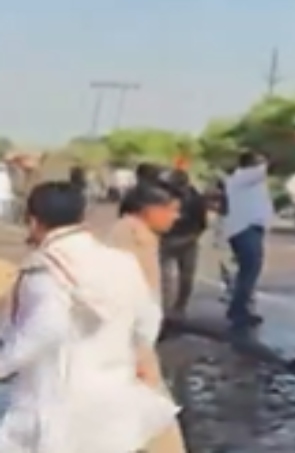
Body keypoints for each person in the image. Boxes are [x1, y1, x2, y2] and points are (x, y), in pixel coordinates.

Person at [0, 181, 178, 452]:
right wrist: (133, 357)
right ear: (82, 217)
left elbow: (45, 328)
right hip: (113, 400)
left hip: (56, 405)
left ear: (33, 221)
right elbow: (149, 320)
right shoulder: (122, 262)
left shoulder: (46, 269)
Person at [96, 181, 189, 453]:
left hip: (124, 347)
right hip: (130, 347)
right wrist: (139, 352)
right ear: (149, 209)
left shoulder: (131, 232)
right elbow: (130, 301)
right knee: (159, 432)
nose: (176, 217)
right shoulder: (133, 239)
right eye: (171, 210)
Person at [223, 151, 272, 330]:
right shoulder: (244, 177)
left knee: (248, 271)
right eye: (260, 163)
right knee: (249, 271)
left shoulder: (248, 181)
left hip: (247, 229)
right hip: (245, 229)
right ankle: (238, 310)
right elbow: (272, 167)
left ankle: (240, 308)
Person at [160, 169, 208, 318]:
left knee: (185, 277)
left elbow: (202, 223)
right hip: (170, 239)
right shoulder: (165, 196)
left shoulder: (195, 199)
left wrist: (193, 237)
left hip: (185, 239)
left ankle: (180, 306)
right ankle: (165, 307)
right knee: (164, 276)